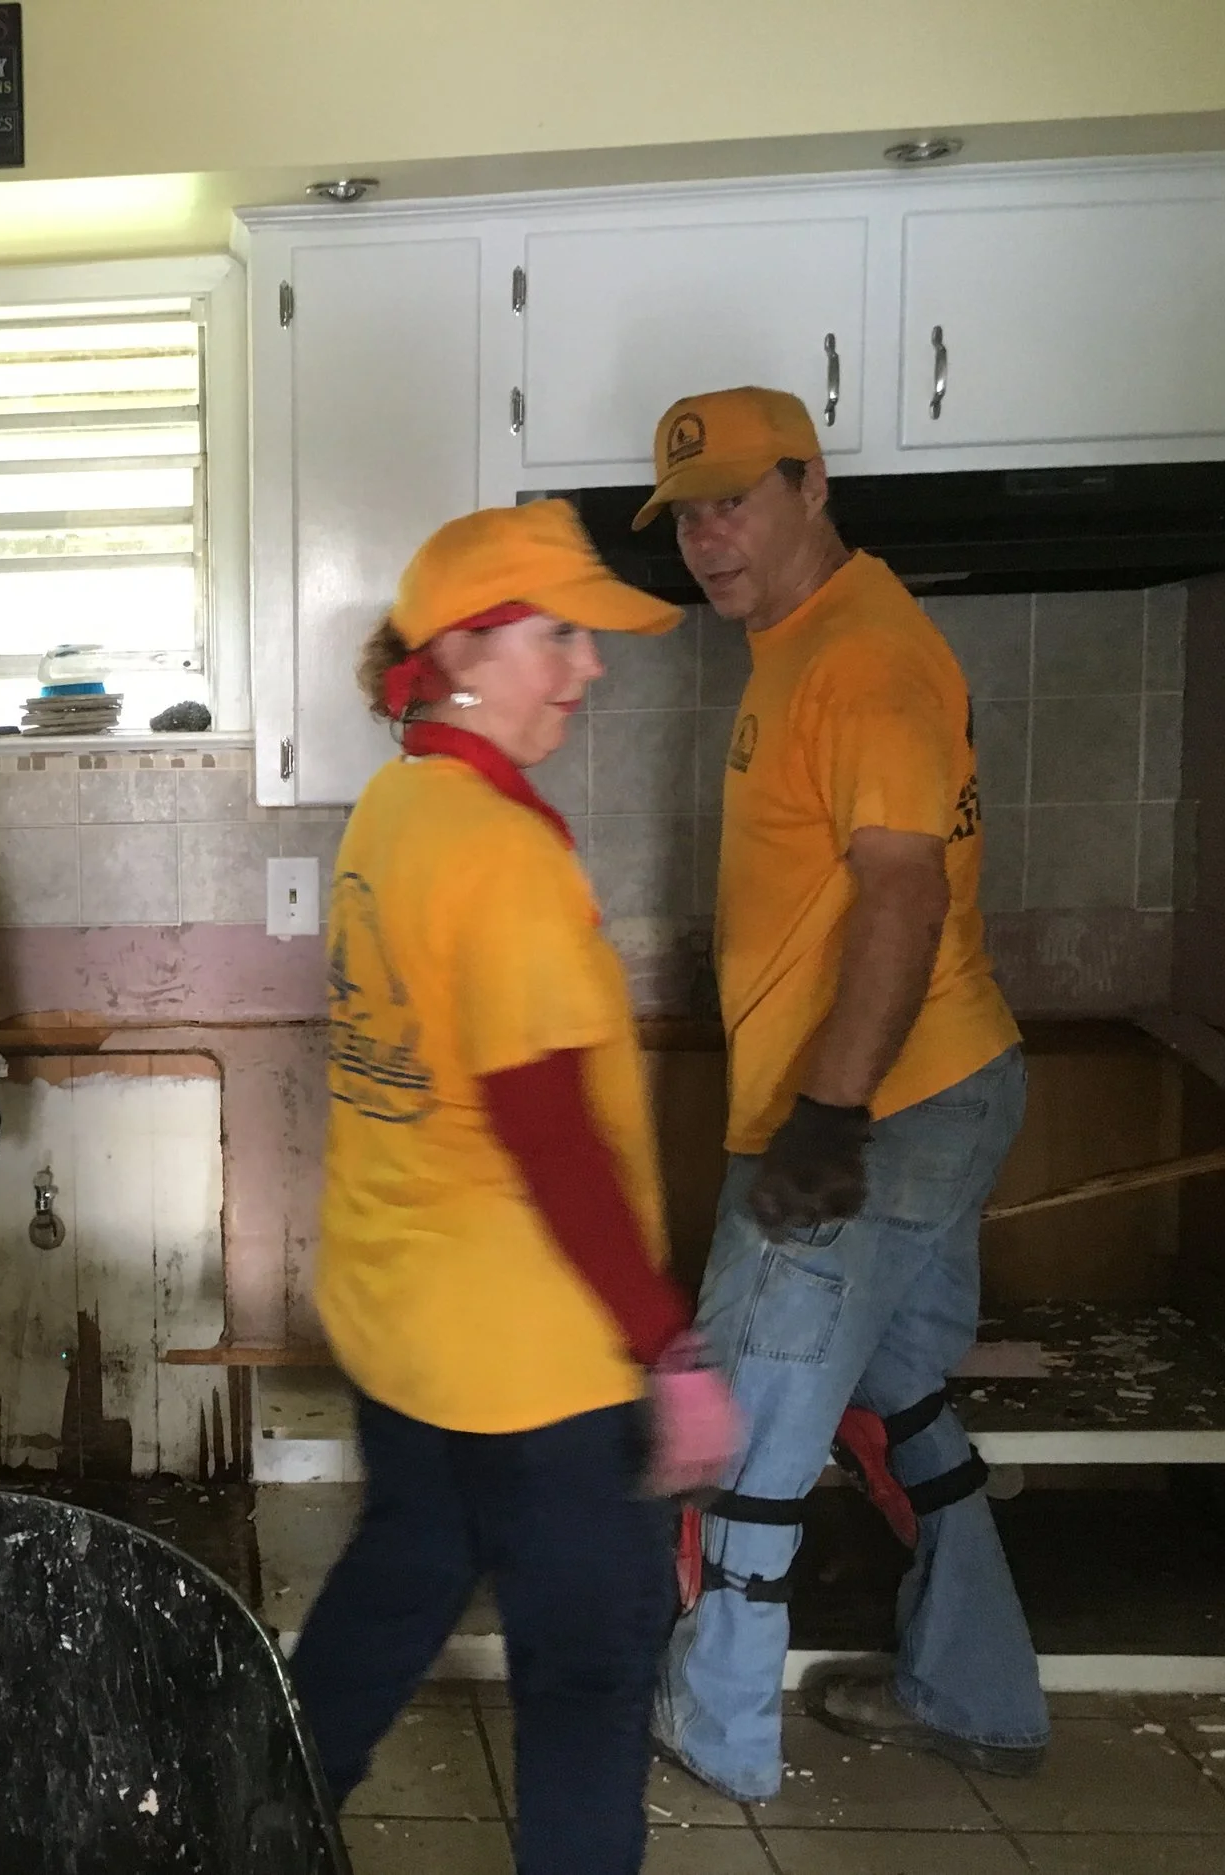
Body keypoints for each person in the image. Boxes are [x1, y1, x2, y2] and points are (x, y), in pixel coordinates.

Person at [291, 500, 742, 1875]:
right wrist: (667, 1343)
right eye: (563, 637)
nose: (589, 667)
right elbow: (550, 1132)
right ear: (474, 651)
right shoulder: (502, 854)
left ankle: (243, 1815)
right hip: (538, 1365)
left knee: (400, 1574)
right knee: (590, 1677)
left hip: (402, 1323)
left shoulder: (394, 806)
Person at [639, 387, 1046, 1798]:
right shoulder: (810, 634)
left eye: (736, 499)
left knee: (744, 1424)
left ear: (814, 484)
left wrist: (826, 1113)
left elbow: (900, 888)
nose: (708, 534)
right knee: (903, 1391)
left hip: (872, 1100)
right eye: (687, 511)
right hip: (940, 1081)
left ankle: (720, 1725)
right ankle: (979, 1684)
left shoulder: (863, 657)